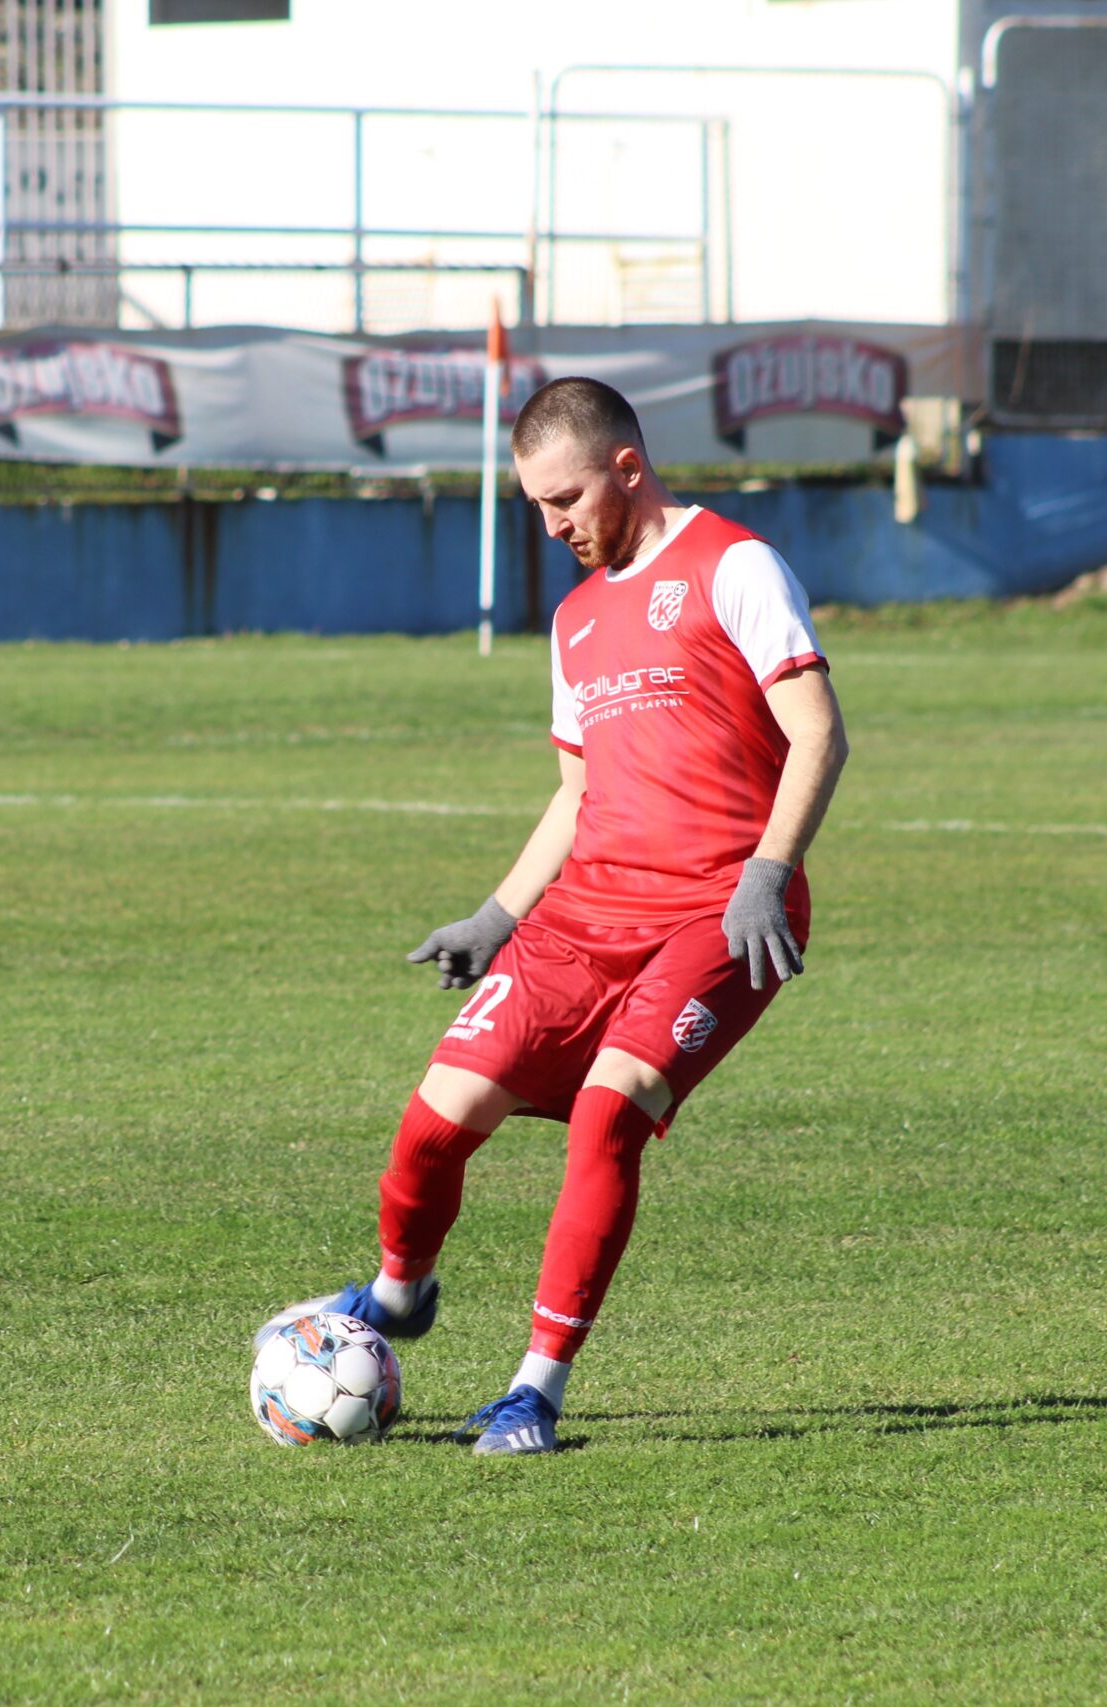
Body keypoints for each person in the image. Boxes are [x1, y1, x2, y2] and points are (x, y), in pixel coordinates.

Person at [255, 376, 849, 1455]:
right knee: (434, 1123)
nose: (552, 525)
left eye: (565, 499)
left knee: (607, 1114)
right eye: (535, 505)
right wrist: (496, 915)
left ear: (628, 466)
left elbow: (817, 731)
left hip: (717, 912)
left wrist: (769, 870)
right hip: (583, 916)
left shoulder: (734, 565)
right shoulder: (574, 620)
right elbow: (578, 793)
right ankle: (399, 1294)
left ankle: (536, 1390)